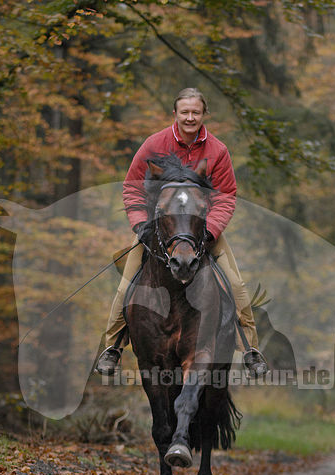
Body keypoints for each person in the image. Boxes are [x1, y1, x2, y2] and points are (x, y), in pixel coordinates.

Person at [96, 87, 266, 376]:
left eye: (195, 112)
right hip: (160, 232)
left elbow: (225, 196)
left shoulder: (217, 150)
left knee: (236, 287)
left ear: (204, 115)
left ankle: (250, 349)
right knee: (126, 287)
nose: (190, 117)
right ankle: (112, 347)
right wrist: (141, 225)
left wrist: (210, 231)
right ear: (175, 113)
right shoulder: (154, 144)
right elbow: (132, 187)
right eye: (184, 112)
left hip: (203, 232)